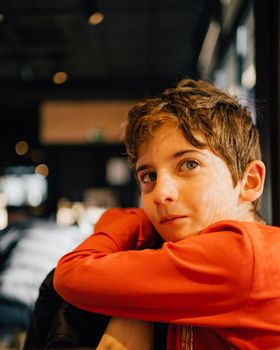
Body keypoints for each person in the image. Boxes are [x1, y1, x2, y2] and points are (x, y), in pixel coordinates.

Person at [53, 78, 280, 349]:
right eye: (148, 176)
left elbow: (71, 274)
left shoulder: (242, 254)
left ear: (250, 181)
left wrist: (134, 220)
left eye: (189, 164)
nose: (160, 194)